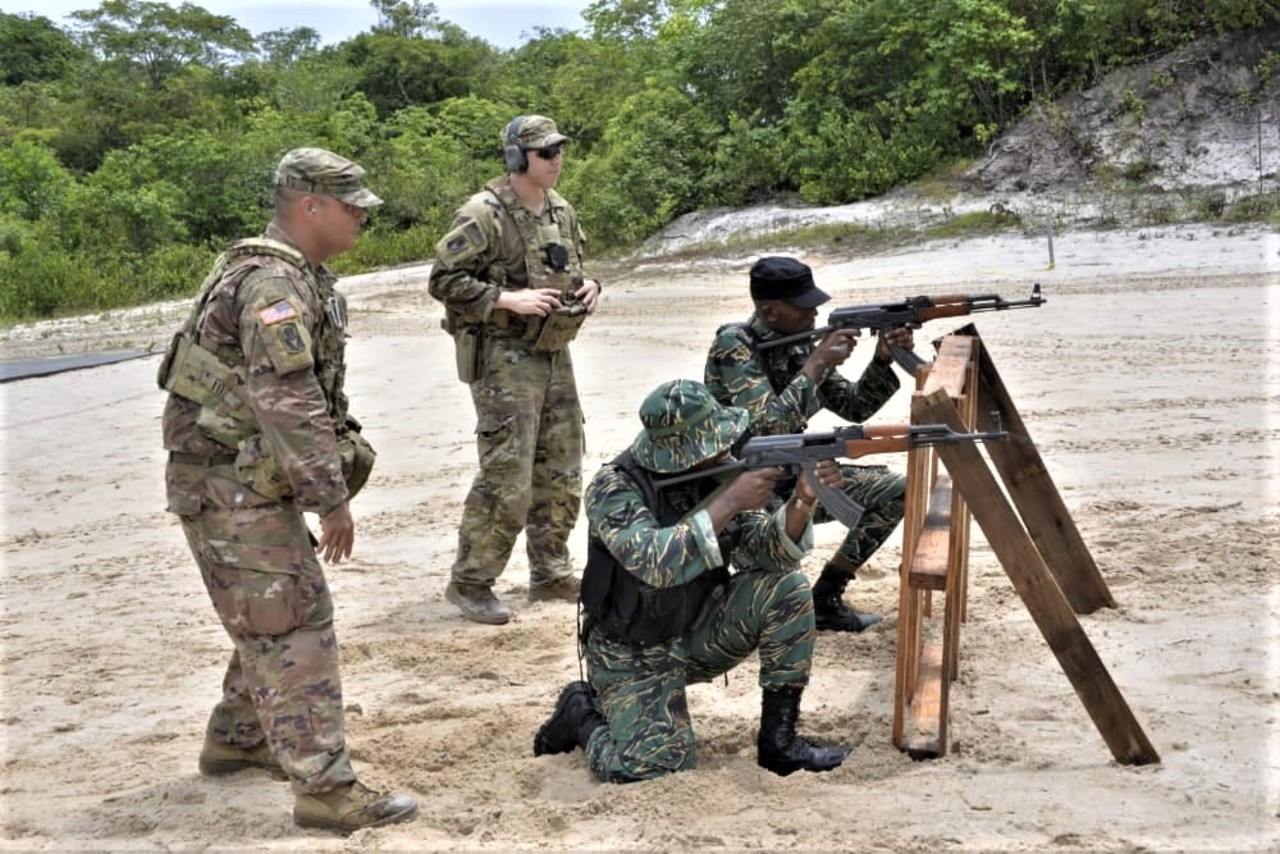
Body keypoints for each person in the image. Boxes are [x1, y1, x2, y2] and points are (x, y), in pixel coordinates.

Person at [157, 148, 417, 834]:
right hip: (228, 484)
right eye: (352, 206)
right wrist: (330, 499)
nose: (362, 217)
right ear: (310, 206)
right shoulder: (274, 285)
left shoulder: (286, 274)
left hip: (231, 479)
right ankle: (326, 791)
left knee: (270, 611)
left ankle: (238, 740)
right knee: (295, 619)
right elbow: (289, 402)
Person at [533, 380, 850, 782]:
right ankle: (579, 715)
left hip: (697, 627)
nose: (725, 451)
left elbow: (767, 552)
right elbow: (656, 562)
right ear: (679, 452)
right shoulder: (614, 488)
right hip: (631, 652)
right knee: (653, 768)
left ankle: (779, 743)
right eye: (713, 445)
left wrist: (803, 499)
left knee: (786, 587)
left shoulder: (716, 475)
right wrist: (730, 501)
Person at [429, 113, 601, 625]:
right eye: (545, 152)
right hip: (503, 354)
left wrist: (591, 287)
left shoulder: (560, 210)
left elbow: (570, 270)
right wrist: (506, 299)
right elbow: (443, 280)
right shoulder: (483, 213)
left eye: (559, 150)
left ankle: (550, 571)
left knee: (561, 466)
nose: (556, 160)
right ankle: (471, 581)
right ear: (516, 158)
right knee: (508, 472)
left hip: (554, 349)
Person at [703, 256, 915, 633]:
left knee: (898, 491)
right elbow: (765, 432)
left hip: (793, 481)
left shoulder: (797, 347)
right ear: (770, 311)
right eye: (803, 306)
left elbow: (854, 406)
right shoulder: (734, 346)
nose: (814, 313)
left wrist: (882, 361)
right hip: (743, 494)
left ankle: (827, 597)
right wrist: (816, 363)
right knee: (779, 588)